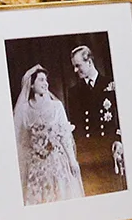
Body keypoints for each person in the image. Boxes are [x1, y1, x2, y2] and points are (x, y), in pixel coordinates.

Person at [12, 64, 83, 205]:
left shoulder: (56, 106)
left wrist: (72, 161)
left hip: (57, 162)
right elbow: (21, 140)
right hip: (36, 165)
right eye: (41, 80)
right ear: (31, 85)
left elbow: (64, 135)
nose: (46, 83)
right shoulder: (24, 110)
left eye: (46, 80)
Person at [62, 43, 125, 194]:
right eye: (74, 67)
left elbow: (121, 117)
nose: (75, 70)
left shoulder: (110, 84)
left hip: (109, 149)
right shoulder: (74, 92)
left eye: (78, 66)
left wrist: (118, 140)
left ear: (89, 62)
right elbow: (75, 126)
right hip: (87, 153)